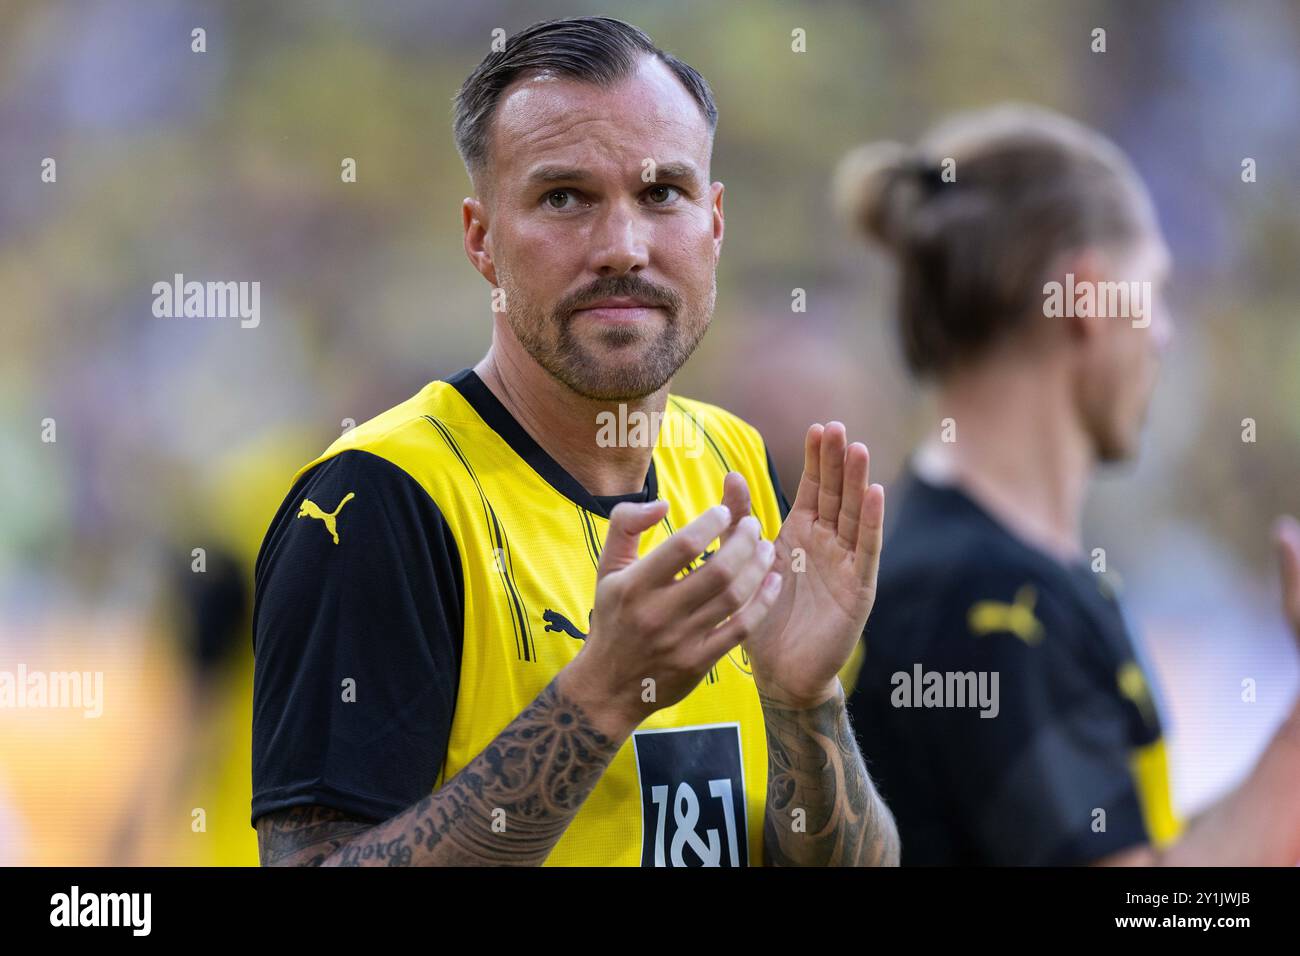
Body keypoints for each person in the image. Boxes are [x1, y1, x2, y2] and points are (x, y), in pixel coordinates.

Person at [251, 16, 899, 867]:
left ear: (714, 221)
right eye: (565, 198)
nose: (622, 248)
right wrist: (599, 696)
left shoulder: (736, 465)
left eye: (662, 192)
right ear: (481, 239)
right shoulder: (378, 503)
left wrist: (803, 700)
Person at [836, 103, 1300, 865]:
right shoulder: (987, 607)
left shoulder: (991, 572)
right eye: (1154, 288)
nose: (1165, 332)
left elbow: (1141, 847)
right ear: (1087, 297)